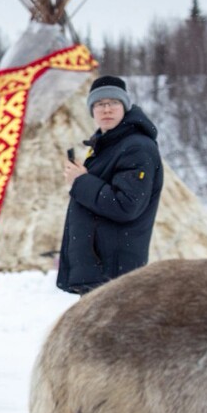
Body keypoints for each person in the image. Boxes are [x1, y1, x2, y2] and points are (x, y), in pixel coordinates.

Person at [57, 75, 164, 294]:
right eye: (99, 104)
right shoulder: (105, 146)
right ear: (92, 111)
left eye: (113, 103)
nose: (106, 109)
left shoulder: (136, 147)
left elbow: (126, 205)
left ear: (124, 106)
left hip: (114, 273)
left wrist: (81, 181)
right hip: (100, 271)